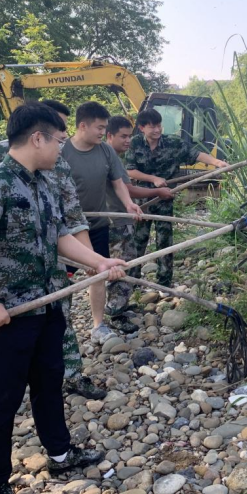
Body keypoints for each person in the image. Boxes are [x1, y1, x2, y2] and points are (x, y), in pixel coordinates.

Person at [0, 103, 126, 494]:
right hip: (10, 315)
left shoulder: (43, 183)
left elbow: (60, 235)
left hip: (47, 304)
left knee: (49, 383)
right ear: (38, 138)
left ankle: (61, 453)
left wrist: (97, 262)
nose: (62, 150)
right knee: (2, 399)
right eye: (59, 141)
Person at [0, 100, 105, 407]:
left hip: (46, 258)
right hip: (1, 266)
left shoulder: (56, 164)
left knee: (59, 316)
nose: (62, 141)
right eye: (57, 135)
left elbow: (70, 216)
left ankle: (70, 376)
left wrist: (92, 259)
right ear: (37, 133)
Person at [61, 102, 144, 339]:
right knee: (61, 278)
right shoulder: (62, 150)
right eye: (99, 128)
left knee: (97, 273)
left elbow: (118, 182)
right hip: (65, 229)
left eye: (105, 128)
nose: (102, 133)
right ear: (82, 126)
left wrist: (128, 204)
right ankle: (59, 326)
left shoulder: (106, 151)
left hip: (95, 226)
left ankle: (98, 325)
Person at [125, 108, 228, 287]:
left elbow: (195, 154)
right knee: (138, 239)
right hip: (143, 199)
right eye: (152, 127)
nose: (157, 130)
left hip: (165, 199)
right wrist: (153, 179)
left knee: (165, 240)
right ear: (142, 128)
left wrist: (216, 162)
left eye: (159, 125)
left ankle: (164, 282)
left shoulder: (172, 142)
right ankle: (133, 280)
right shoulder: (134, 144)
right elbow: (130, 170)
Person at [104, 116, 175, 322]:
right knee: (121, 262)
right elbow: (128, 188)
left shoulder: (113, 156)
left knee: (127, 257)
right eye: (123, 136)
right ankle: (115, 312)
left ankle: (121, 303)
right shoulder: (109, 156)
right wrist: (157, 192)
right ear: (110, 135)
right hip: (114, 219)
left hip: (125, 214)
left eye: (129, 136)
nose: (128, 140)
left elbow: (124, 187)